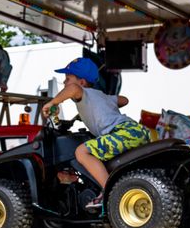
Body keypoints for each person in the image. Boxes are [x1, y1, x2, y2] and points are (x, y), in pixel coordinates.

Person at [40, 57, 148, 209]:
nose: (64, 83)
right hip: (136, 131)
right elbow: (124, 100)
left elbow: (73, 89)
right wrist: (99, 107)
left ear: (82, 82)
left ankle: (109, 192)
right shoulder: (101, 95)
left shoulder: (81, 92)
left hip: (122, 132)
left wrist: (53, 102)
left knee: (81, 152)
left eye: (67, 79)